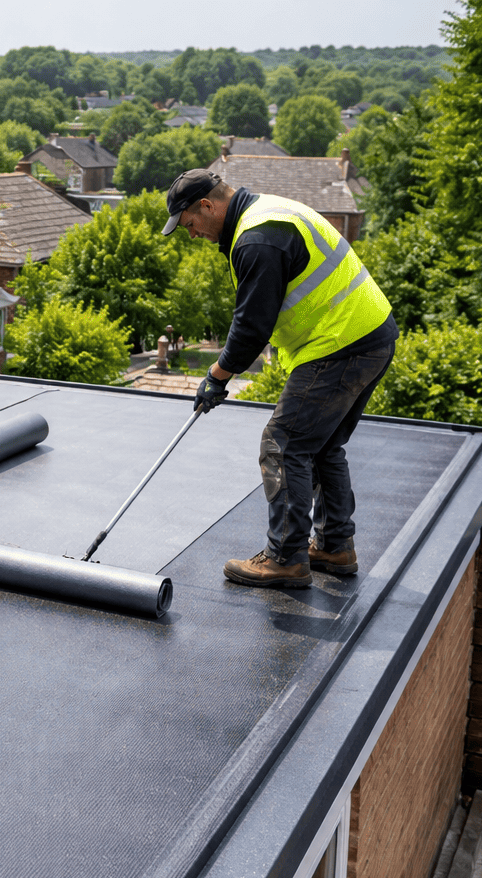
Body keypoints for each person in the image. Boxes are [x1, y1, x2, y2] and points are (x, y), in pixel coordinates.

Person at [162, 168, 397, 589]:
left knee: (284, 443)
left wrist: (217, 376)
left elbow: (252, 325)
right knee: (322, 445)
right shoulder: (268, 213)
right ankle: (334, 547)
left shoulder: (257, 238)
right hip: (370, 335)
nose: (192, 235)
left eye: (190, 225)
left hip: (340, 343)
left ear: (207, 206)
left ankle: (285, 557)